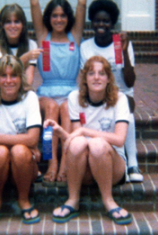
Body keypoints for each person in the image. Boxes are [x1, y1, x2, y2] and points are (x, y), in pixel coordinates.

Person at [44, 56, 132, 225]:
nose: (97, 77)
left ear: (108, 79)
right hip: (84, 167)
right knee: (78, 143)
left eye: (102, 73)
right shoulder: (75, 97)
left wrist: (85, 130)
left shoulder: (120, 99)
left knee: (97, 144)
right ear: (85, 78)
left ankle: (108, 201)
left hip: (112, 165)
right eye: (91, 73)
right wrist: (61, 133)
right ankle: (73, 200)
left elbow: (120, 140)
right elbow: (76, 139)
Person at [29, 0, 88, 182]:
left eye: (63, 15)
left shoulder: (75, 36)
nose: (59, 20)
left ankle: (65, 164)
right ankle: (50, 161)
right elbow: (34, 2)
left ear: (69, 18)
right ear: (48, 18)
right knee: (52, 109)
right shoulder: (43, 36)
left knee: (65, 109)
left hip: (71, 91)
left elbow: (82, 2)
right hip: (47, 91)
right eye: (54, 16)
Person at [80, 0, 143, 183]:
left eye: (106, 21)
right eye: (97, 20)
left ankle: (132, 162)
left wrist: (124, 52)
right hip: (97, 93)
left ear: (112, 23)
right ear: (92, 21)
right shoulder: (86, 47)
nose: (101, 25)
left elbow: (130, 82)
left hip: (121, 93)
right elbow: (85, 80)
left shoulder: (121, 43)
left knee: (127, 111)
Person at [0, 55, 41, 226]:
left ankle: (24, 200)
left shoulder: (30, 98)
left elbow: (33, 138)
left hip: (23, 165)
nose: (9, 81)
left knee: (18, 152)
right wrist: (22, 142)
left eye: (14, 76)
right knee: (0, 153)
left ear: (21, 78)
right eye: (4, 75)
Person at [0, 3, 42, 85]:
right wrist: (25, 57)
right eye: (8, 22)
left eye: (17, 22)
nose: (13, 26)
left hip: (22, 90)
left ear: (23, 25)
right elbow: (4, 71)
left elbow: (28, 82)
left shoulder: (31, 45)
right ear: (2, 25)